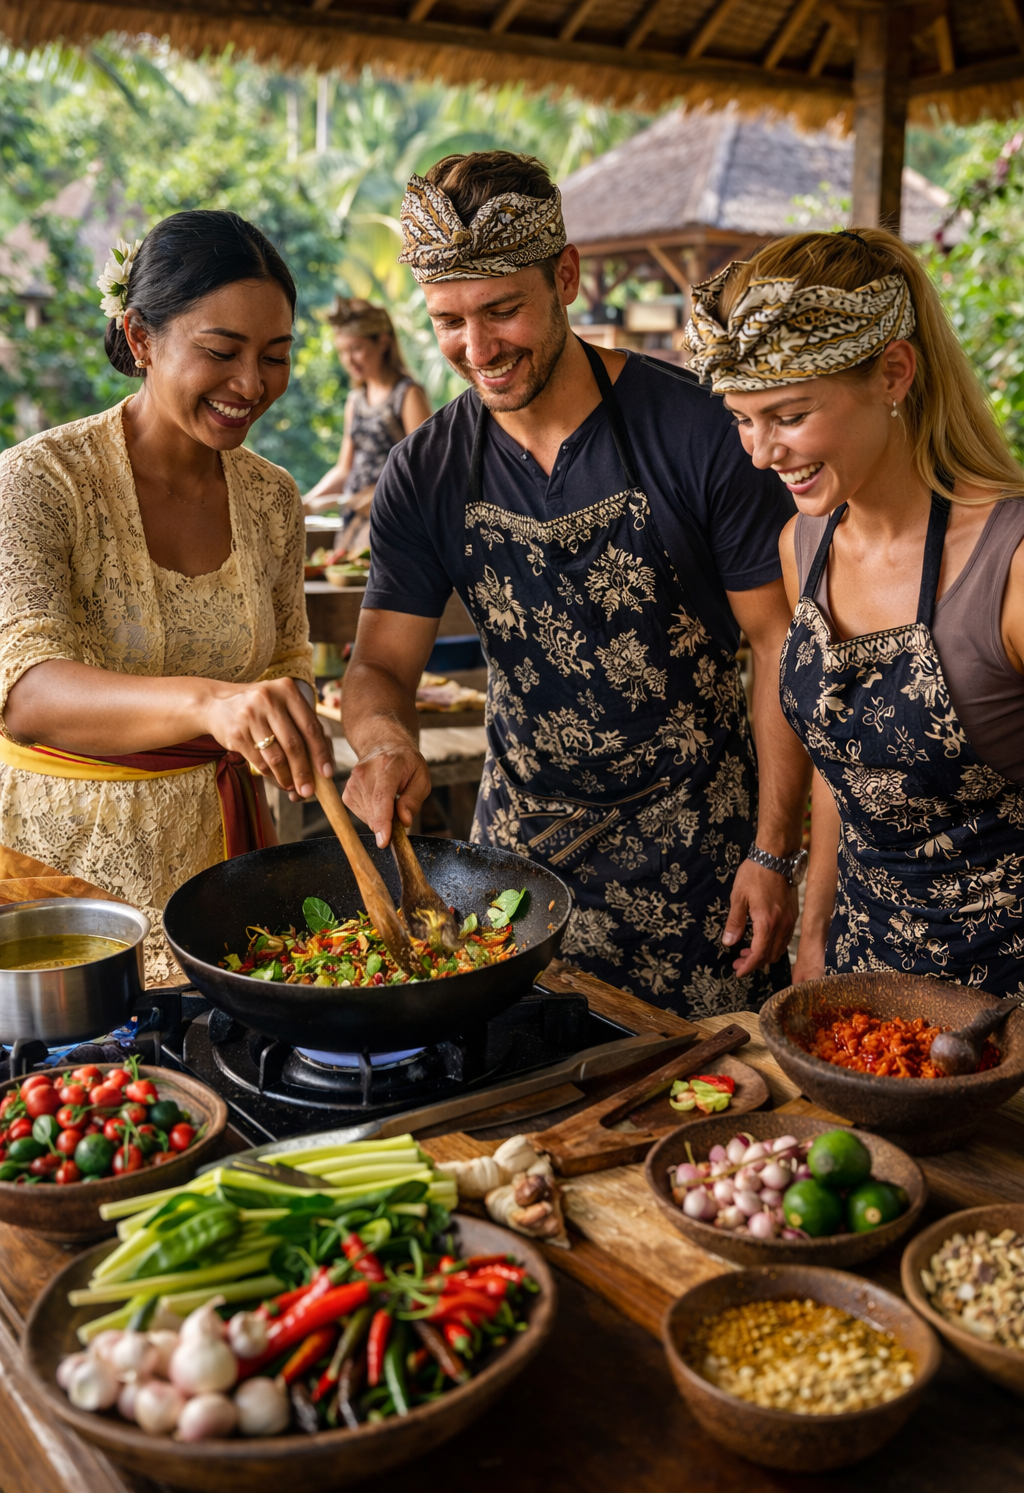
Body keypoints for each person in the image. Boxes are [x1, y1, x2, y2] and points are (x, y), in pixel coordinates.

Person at [340, 150, 811, 1019]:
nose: (478, 349)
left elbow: (779, 642)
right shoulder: (425, 469)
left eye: (502, 310)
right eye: (448, 321)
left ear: (566, 276)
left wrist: (775, 850)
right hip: (515, 864)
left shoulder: (701, 429)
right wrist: (382, 745)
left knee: (704, 1081)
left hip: (702, 857)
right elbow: (378, 668)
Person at [685, 226, 1024, 997]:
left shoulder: (1010, 564)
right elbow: (846, 770)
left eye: (788, 415)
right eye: (741, 418)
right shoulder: (802, 544)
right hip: (859, 987)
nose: (760, 452)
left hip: (1001, 1009)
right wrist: (814, 941)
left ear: (894, 373)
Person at [0, 210, 334, 981]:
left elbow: (287, 662)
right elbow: (26, 691)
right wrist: (213, 705)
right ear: (141, 338)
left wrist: (289, 721)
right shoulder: (41, 481)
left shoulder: (273, 498)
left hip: (224, 868)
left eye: (276, 357)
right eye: (221, 352)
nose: (251, 385)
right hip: (65, 878)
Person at [302, 298, 431, 557]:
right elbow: (344, 470)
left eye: (356, 348)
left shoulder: (408, 394)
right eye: (342, 351)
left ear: (382, 342)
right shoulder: (355, 400)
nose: (349, 360)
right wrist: (305, 504)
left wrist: (382, 494)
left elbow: (426, 470)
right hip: (354, 523)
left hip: (393, 522)